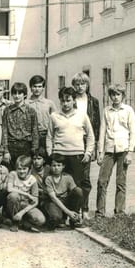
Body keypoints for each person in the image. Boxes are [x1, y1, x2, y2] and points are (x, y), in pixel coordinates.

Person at [47, 86, 94, 220]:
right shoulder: (54, 116)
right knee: (60, 186)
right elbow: (49, 136)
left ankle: (75, 215)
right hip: (59, 156)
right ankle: (61, 216)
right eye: (62, 101)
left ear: (74, 101)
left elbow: (90, 135)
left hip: (77, 156)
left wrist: (88, 152)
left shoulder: (82, 115)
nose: (65, 104)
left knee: (76, 188)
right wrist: (51, 153)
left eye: (68, 100)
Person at [96, 84, 135, 217]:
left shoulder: (128, 110)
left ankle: (119, 212)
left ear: (123, 96)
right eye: (113, 94)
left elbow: (133, 132)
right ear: (110, 96)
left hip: (123, 149)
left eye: (118, 94)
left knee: (121, 182)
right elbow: (102, 131)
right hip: (108, 149)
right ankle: (100, 212)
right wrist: (100, 152)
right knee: (102, 181)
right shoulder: (107, 110)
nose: (115, 97)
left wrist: (130, 152)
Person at [72, 72, 100, 219]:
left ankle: (85, 208)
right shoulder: (70, 100)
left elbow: (97, 125)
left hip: (88, 140)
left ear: (87, 85)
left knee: (85, 177)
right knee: (74, 175)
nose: (80, 87)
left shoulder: (93, 102)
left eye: (82, 84)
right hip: (74, 139)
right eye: (77, 84)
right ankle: (74, 209)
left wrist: (95, 147)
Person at [2, 82, 39, 170]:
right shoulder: (7, 110)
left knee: (24, 171)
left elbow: (35, 131)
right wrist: (6, 150)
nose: (17, 96)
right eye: (15, 93)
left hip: (26, 146)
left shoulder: (31, 111)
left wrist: (34, 150)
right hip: (11, 146)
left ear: (25, 95)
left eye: (20, 93)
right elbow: (4, 131)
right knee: (12, 172)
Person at [5, 156, 45, 232]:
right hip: (13, 204)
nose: (21, 171)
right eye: (19, 169)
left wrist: (22, 212)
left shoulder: (32, 179)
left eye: (24, 169)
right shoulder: (13, 174)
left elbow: (35, 201)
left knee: (41, 220)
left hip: (25, 205)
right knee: (13, 195)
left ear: (29, 169)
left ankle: (23, 222)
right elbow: (9, 188)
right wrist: (27, 194)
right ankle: (15, 222)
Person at [43, 154, 83, 229]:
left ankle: (74, 218)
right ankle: (58, 219)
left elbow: (76, 194)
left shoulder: (67, 177)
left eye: (59, 165)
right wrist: (68, 212)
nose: (56, 168)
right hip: (54, 202)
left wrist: (75, 212)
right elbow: (53, 198)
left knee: (78, 191)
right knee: (55, 218)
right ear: (50, 167)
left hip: (66, 201)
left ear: (63, 166)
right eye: (54, 165)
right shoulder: (48, 179)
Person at [27, 75, 57, 159]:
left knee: (47, 158)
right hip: (31, 137)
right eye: (35, 86)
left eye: (40, 86)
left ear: (43, 88)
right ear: (31, 87)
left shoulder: (49, 103)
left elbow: (55, 120)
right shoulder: (26, 103)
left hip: (46, 135)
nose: (37, 89)